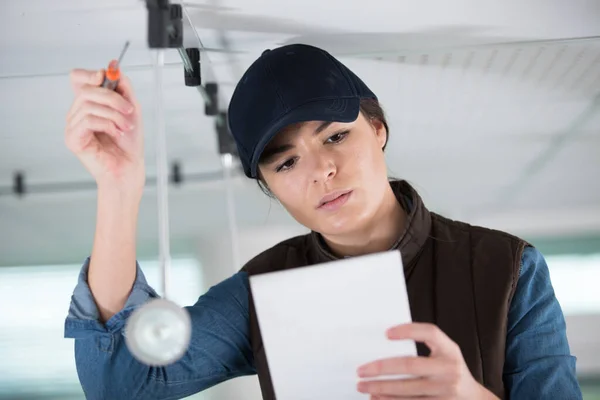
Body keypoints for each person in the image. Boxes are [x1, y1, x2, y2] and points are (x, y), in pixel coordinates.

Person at [64, 43, 582, 400]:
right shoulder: (266, 289)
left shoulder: (507, 268)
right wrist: (119, 185)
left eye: (335, 136)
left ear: (377, 129)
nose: (321, 171)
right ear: (270, 186)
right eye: (286, 162)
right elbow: (121, 383)